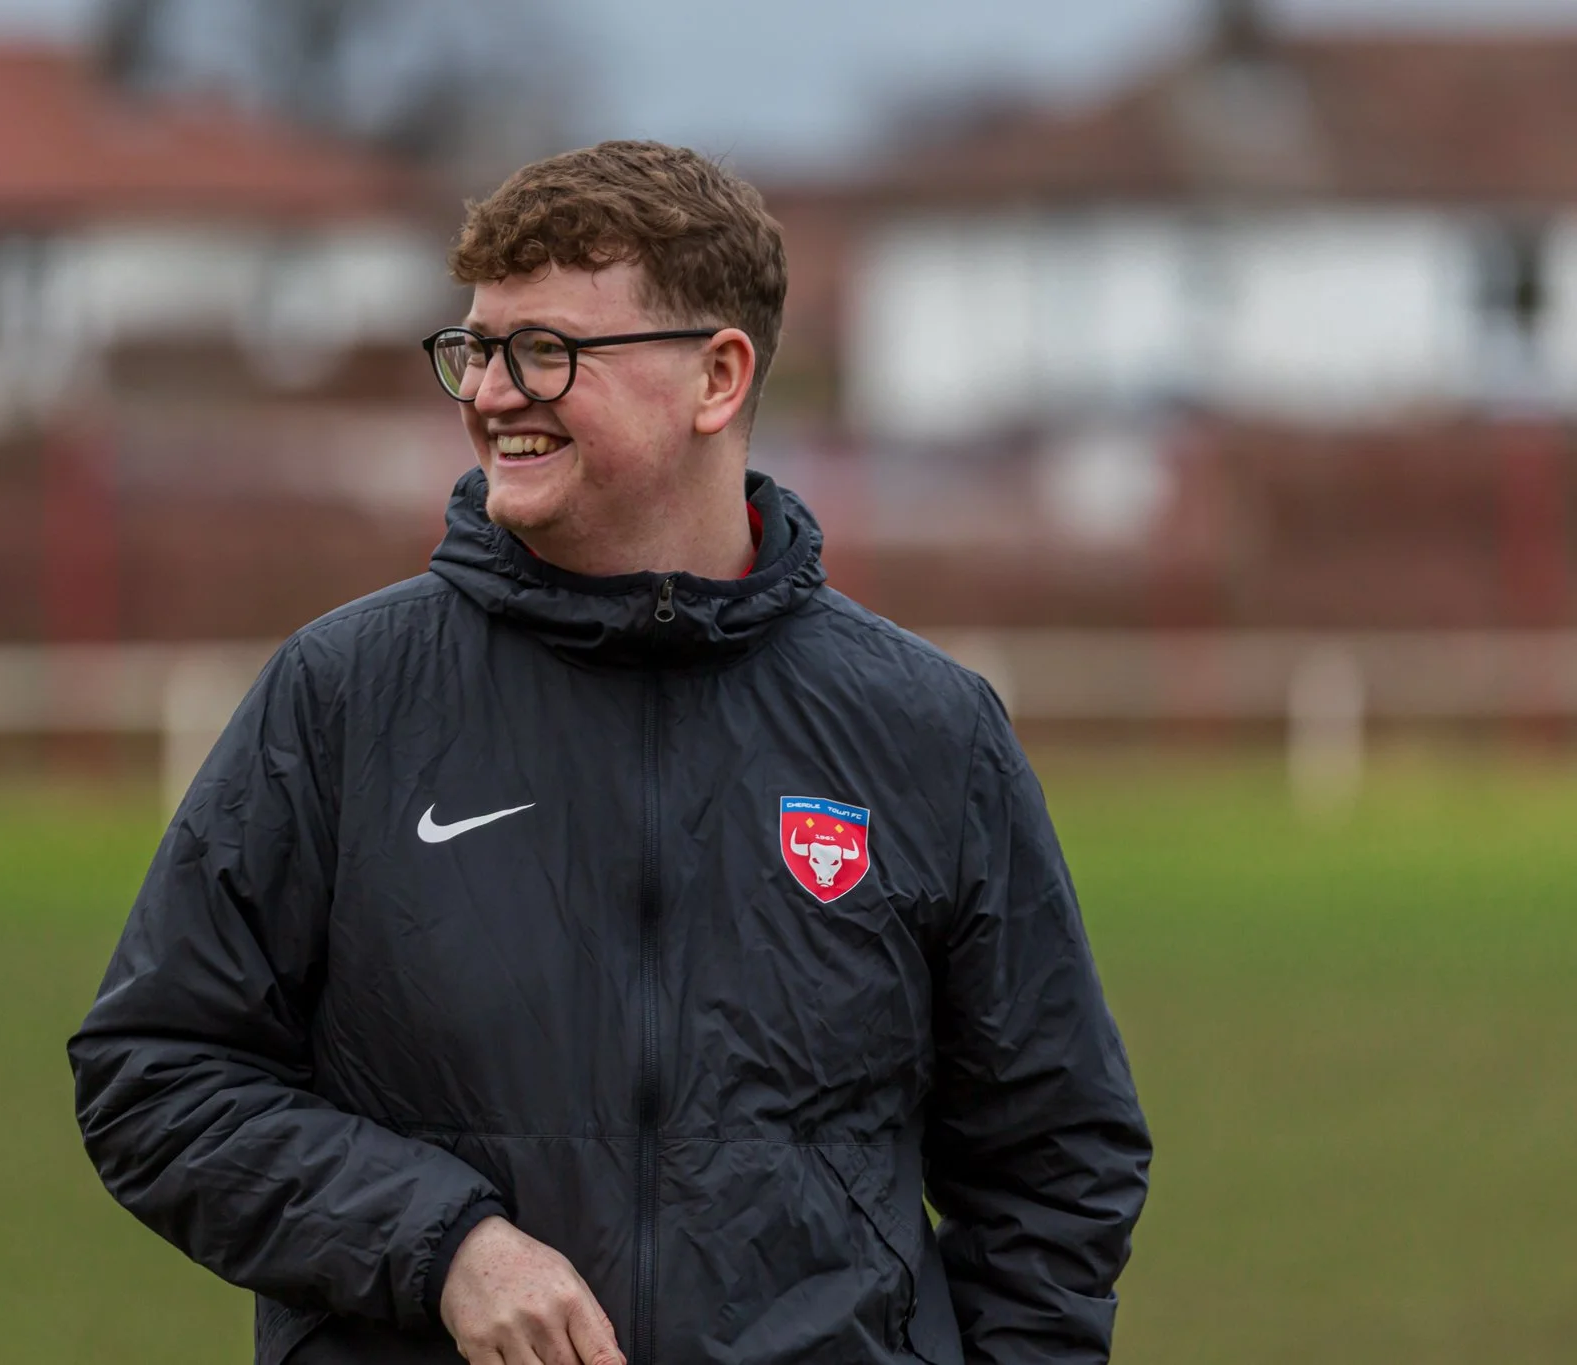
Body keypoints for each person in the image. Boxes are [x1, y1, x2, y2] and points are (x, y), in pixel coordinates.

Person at [70, 140, 1151, 1365]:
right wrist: (444, 1246)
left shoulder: (926, 728)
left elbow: (1054, 1164)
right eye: (476, 349)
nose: (488, 393)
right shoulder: (344, 699)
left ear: (716, 378)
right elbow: (154, 1076)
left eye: (547, 350)